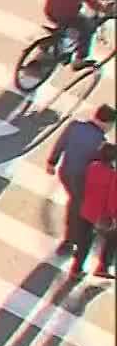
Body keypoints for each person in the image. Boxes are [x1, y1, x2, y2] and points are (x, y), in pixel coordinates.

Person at [49, 103, 115, 264]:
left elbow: (61, 143)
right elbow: (100, 165)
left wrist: (52, 162)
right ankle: (70, 241)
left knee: (75, 204)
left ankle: (72, 239)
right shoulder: (100, 142)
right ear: (106, 123)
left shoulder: (75, 126)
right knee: (77, 209)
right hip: (81, 181)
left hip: (65, 173)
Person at [71, 141, 117, 279]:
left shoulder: (92, 167)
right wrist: (113, 216)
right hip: (102, 214)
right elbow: (112, 198)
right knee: (112, 239)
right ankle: (103, 266)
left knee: (85, 241)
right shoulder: (113, 175)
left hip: (87, 209)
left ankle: (76, 268)